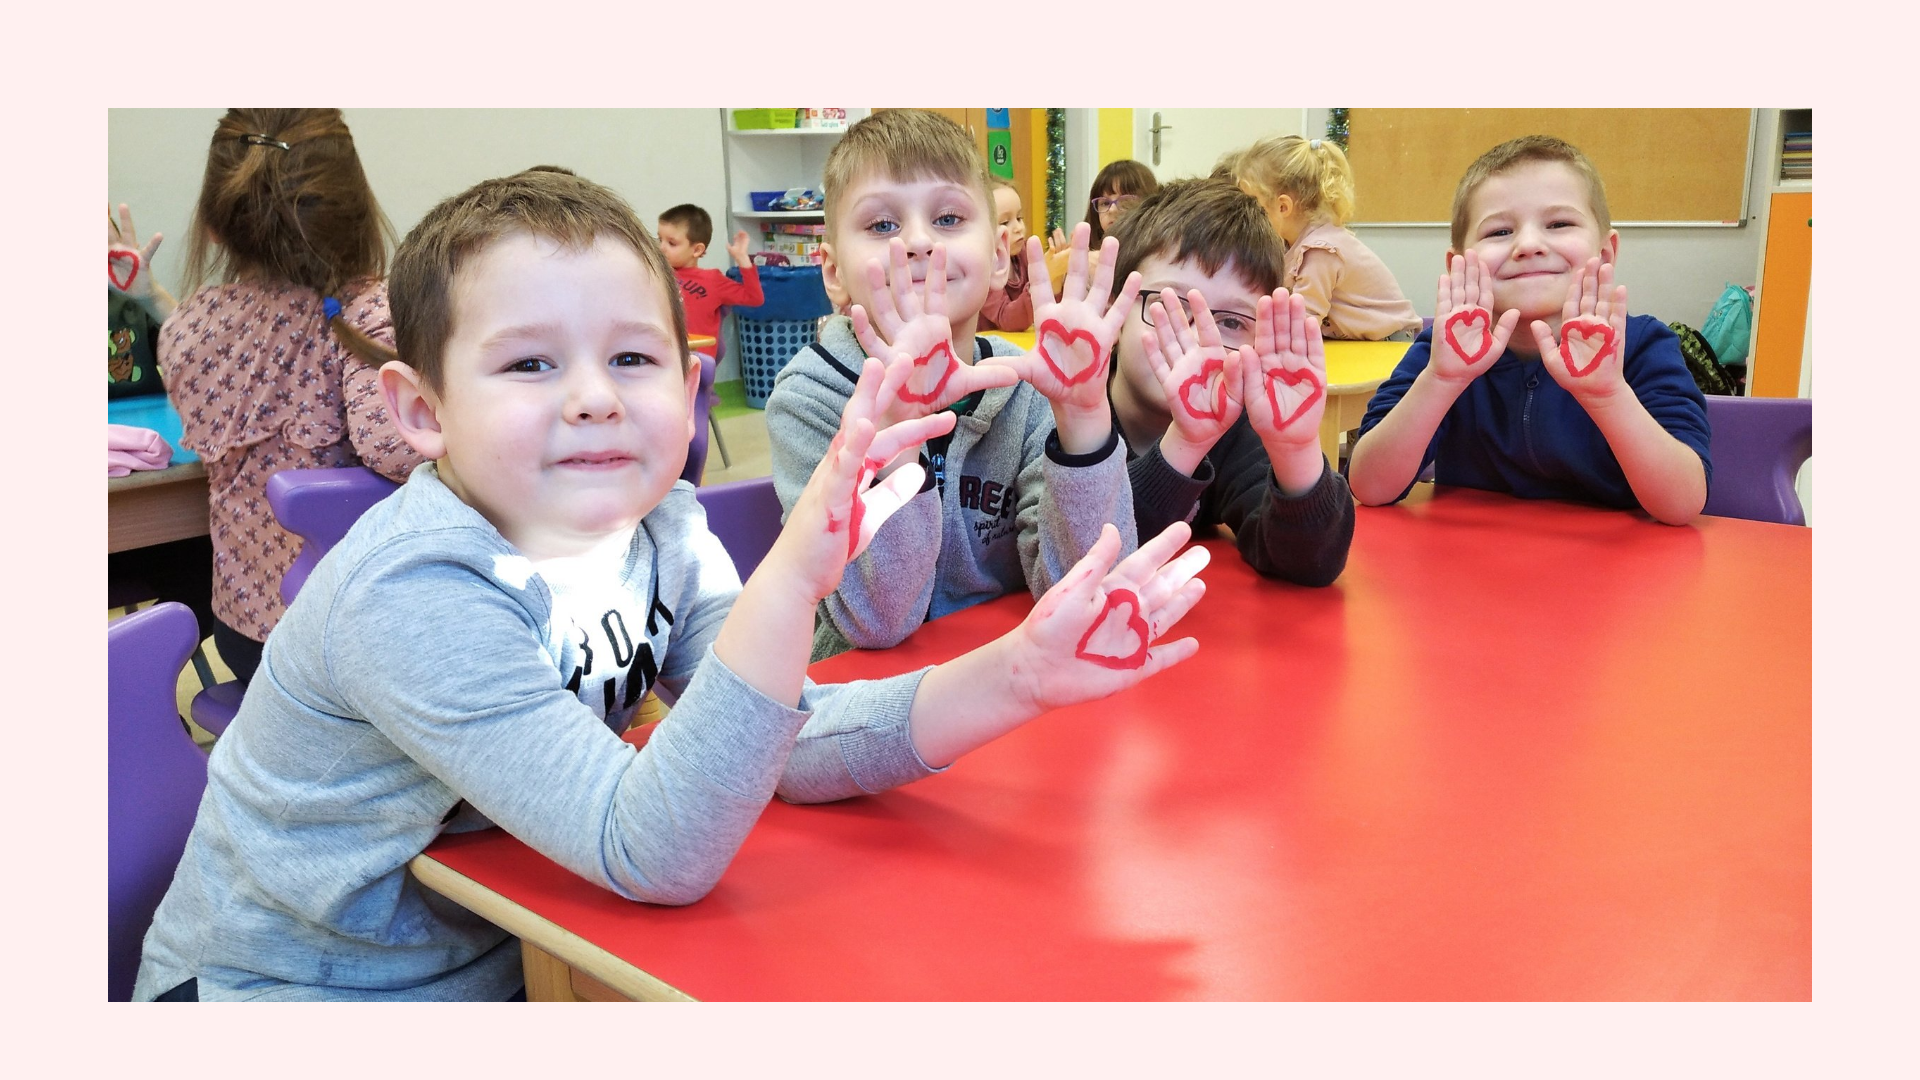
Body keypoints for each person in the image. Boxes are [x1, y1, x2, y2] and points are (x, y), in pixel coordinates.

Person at [133, 167, 1211, 1002]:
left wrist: (1018, 674)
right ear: (421, 411)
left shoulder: (660, 525)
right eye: (530, 364)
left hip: (508, 956)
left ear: (690, 388)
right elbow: (650, 848)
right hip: (284, 993)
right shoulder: (417, 587)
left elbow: (792, 735)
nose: (595, 398)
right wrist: (793, 578)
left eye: (632, 360)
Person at [765, 108, 1143, 660]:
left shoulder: (1025, 384)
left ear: (998, 256)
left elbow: (1092, 597)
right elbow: (876, 623)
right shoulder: (808, 398)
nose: (918, 241)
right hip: (868, 695)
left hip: (1008, 677)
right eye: (882, 225)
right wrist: (898, 433)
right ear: (834, 272)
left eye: (947, 218)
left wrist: (1084, 418)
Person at [157, 108, 423, 688]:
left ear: (215, 226)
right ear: (353, 213)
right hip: (350, 643)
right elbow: (399, 451)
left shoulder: (187, 327)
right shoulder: (365, 313)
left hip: (244, 638)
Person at [1345, 136, 1710, 525]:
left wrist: (1607, 395)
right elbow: (1370, 486)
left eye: (1559, 224)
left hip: (1618, 560)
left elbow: (1682, 503)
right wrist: (1441, 380)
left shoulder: (1644, 346)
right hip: (1472, 557)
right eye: (1500, 232)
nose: (1529, 244)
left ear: (1605, 253)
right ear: (1458, 265)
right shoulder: (1443, 352)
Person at [1104, 179, 1354, 585]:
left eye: (1232, 323)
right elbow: (1085, 554)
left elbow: (1310, 562)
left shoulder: (1236, 427)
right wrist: (1186, 441)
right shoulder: (1069, 413)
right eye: (1171, 305)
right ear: (1113, 313)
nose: (1197, 339)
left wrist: (1296, 451)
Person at [1223, 134, 1421, 342]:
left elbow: (1302, 322)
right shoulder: (1291, 244)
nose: (1247, 214)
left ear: (1283, 207)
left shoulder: (1320, 250)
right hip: (1364, 342)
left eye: (1253, 204)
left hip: (1393, 341)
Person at [1045, 159, 1158, 296]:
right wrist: (1056, 275)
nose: (1112, 210)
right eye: (1105, 203)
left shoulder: (1160, 255)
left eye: (1125, 201)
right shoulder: (1087, 260)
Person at [656, 203, 764, 348]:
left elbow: (754, 298)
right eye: (660, 240)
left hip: (699, 356)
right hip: (665, 352)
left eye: (671, 243)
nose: (661, 248)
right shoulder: (658, 275)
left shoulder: (713, 280)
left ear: (697, 250)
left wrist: (742, 259)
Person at [979, 179, 1033, 332]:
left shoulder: (1025, 252)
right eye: (1005, 222)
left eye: (1019, 218)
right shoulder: (983, 268)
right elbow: (1007, 319)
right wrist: (1040, 283)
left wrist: (1058, 276)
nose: (1018, 227)